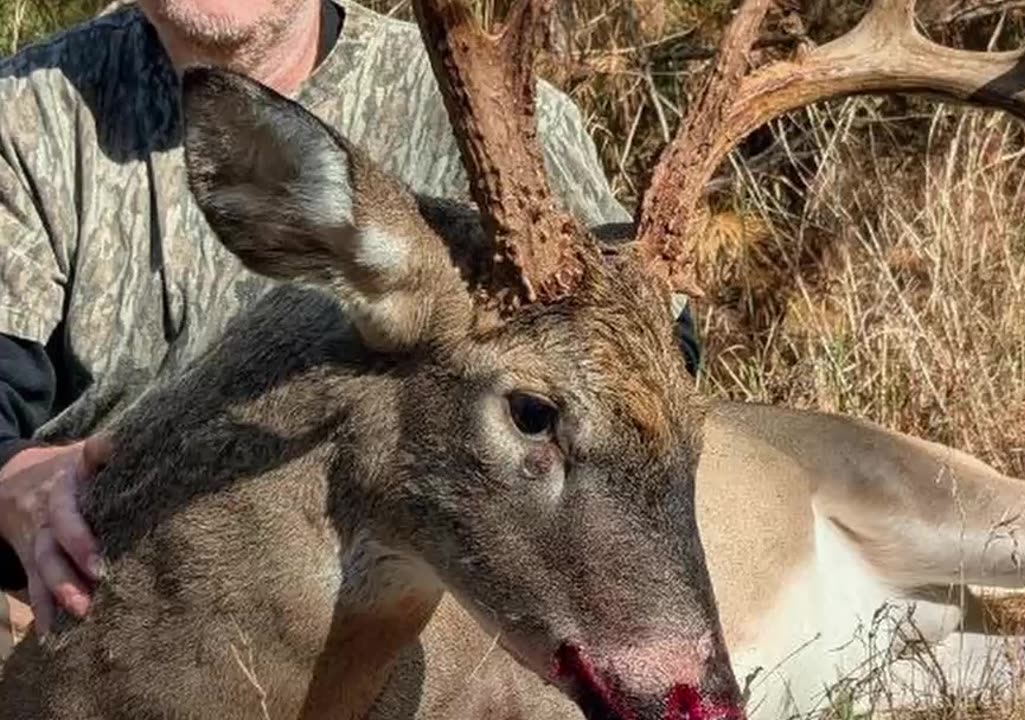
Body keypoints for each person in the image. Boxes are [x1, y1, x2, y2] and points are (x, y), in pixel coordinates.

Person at [0, 0, 701, 652]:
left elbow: (645, 381)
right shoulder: (26, 116)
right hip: (102, 599)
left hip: (406, 609)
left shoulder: (503, 126)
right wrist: (14, 476)